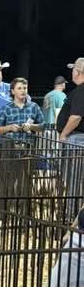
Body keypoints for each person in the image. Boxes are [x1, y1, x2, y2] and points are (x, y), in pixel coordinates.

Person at [57, 58, 84, 218]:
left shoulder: (81, 90)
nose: (72, 72)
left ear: (78, 72)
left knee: (73, 180)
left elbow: (76, 117)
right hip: (78, 138)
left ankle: (71, 217)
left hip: (76, 139)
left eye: (73, 69)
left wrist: (63, 134)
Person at [0, 77, 44, 141]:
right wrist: (10, 127)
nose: (23, 90)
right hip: (9, 148)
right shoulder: (5, 108)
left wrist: (31, 126)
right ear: (13, 91)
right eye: (19, 88)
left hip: (29, 148)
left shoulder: (34, 107)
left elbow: (43, 127)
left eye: (25, 88)